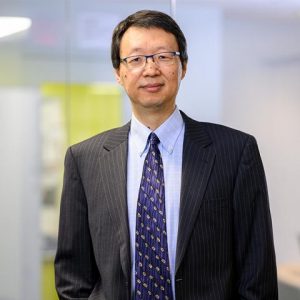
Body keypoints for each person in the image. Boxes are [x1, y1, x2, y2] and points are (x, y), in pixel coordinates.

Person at [55, 9, 278, 300]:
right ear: (119, 74)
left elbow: (257, 273)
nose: (150, 70)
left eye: (163, 56)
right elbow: (72, 276)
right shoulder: (84, 160)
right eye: (135, 59)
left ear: (183, 66)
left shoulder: (235, 152)